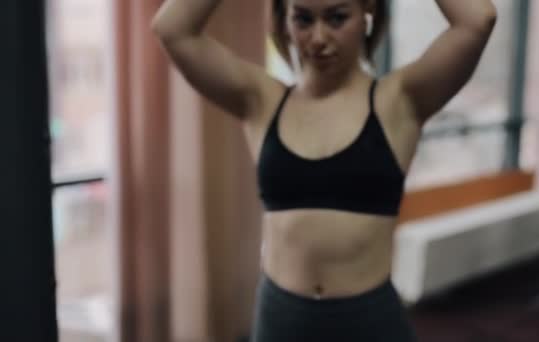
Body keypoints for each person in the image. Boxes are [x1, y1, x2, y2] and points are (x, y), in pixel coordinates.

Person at [152, 0, 496, 340]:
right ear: (283, 21)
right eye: (302, 19)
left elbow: (477, 19)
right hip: (282, 320)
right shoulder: (261, 100)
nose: (318, 38)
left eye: (336, 17)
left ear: (367, 12)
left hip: (368, 321)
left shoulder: (400, 100)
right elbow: (172, 28)